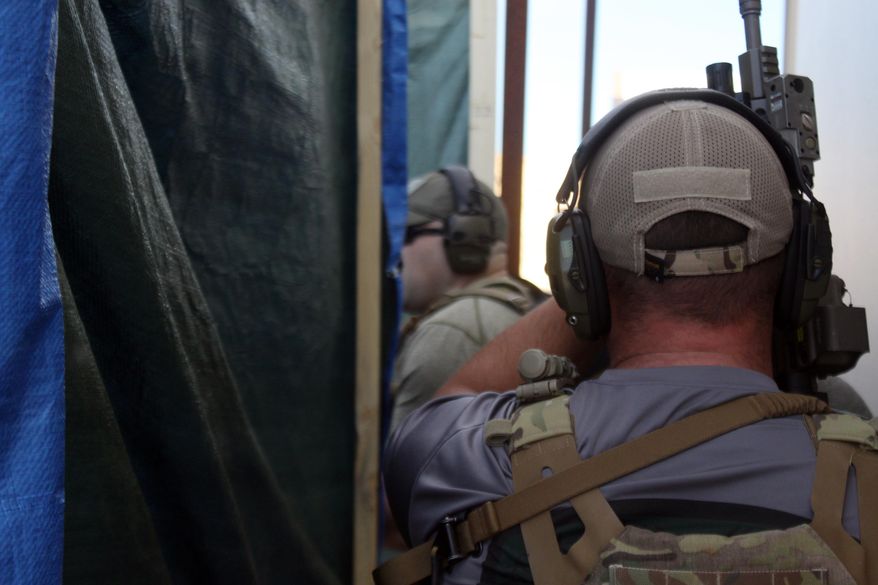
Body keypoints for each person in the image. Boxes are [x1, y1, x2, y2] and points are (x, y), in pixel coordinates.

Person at [380, 95, 877, 585]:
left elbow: (450, 403)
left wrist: (586, 296)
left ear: (579, 274)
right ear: (802, 270)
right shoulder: (866, 480)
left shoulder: (480, 464)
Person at [389, 166, 544, 433]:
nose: (395, 251)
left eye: (407, 234)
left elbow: (407, 460)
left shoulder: (451, 332)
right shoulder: (520, 304)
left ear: (464, 237)